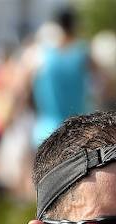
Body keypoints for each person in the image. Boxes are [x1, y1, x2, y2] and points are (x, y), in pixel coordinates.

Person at [30, 7, 95, 146]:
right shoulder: (83, 53)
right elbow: (107, 83)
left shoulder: (40, 54)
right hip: (78, 132)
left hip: (46, 131)